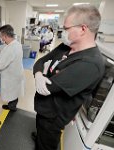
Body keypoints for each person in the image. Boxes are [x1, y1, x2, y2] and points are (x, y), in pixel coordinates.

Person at [33, 4, 105, 150]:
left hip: (53, 117)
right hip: (44, 109)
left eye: (66, 28)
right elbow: (40, 62)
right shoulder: (67, 46)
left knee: (46, 143)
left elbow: (47, 87)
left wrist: (43, 75)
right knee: (41, 132)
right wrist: (39, 74)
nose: (62, 32)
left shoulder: (89, 64)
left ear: (83, 29)